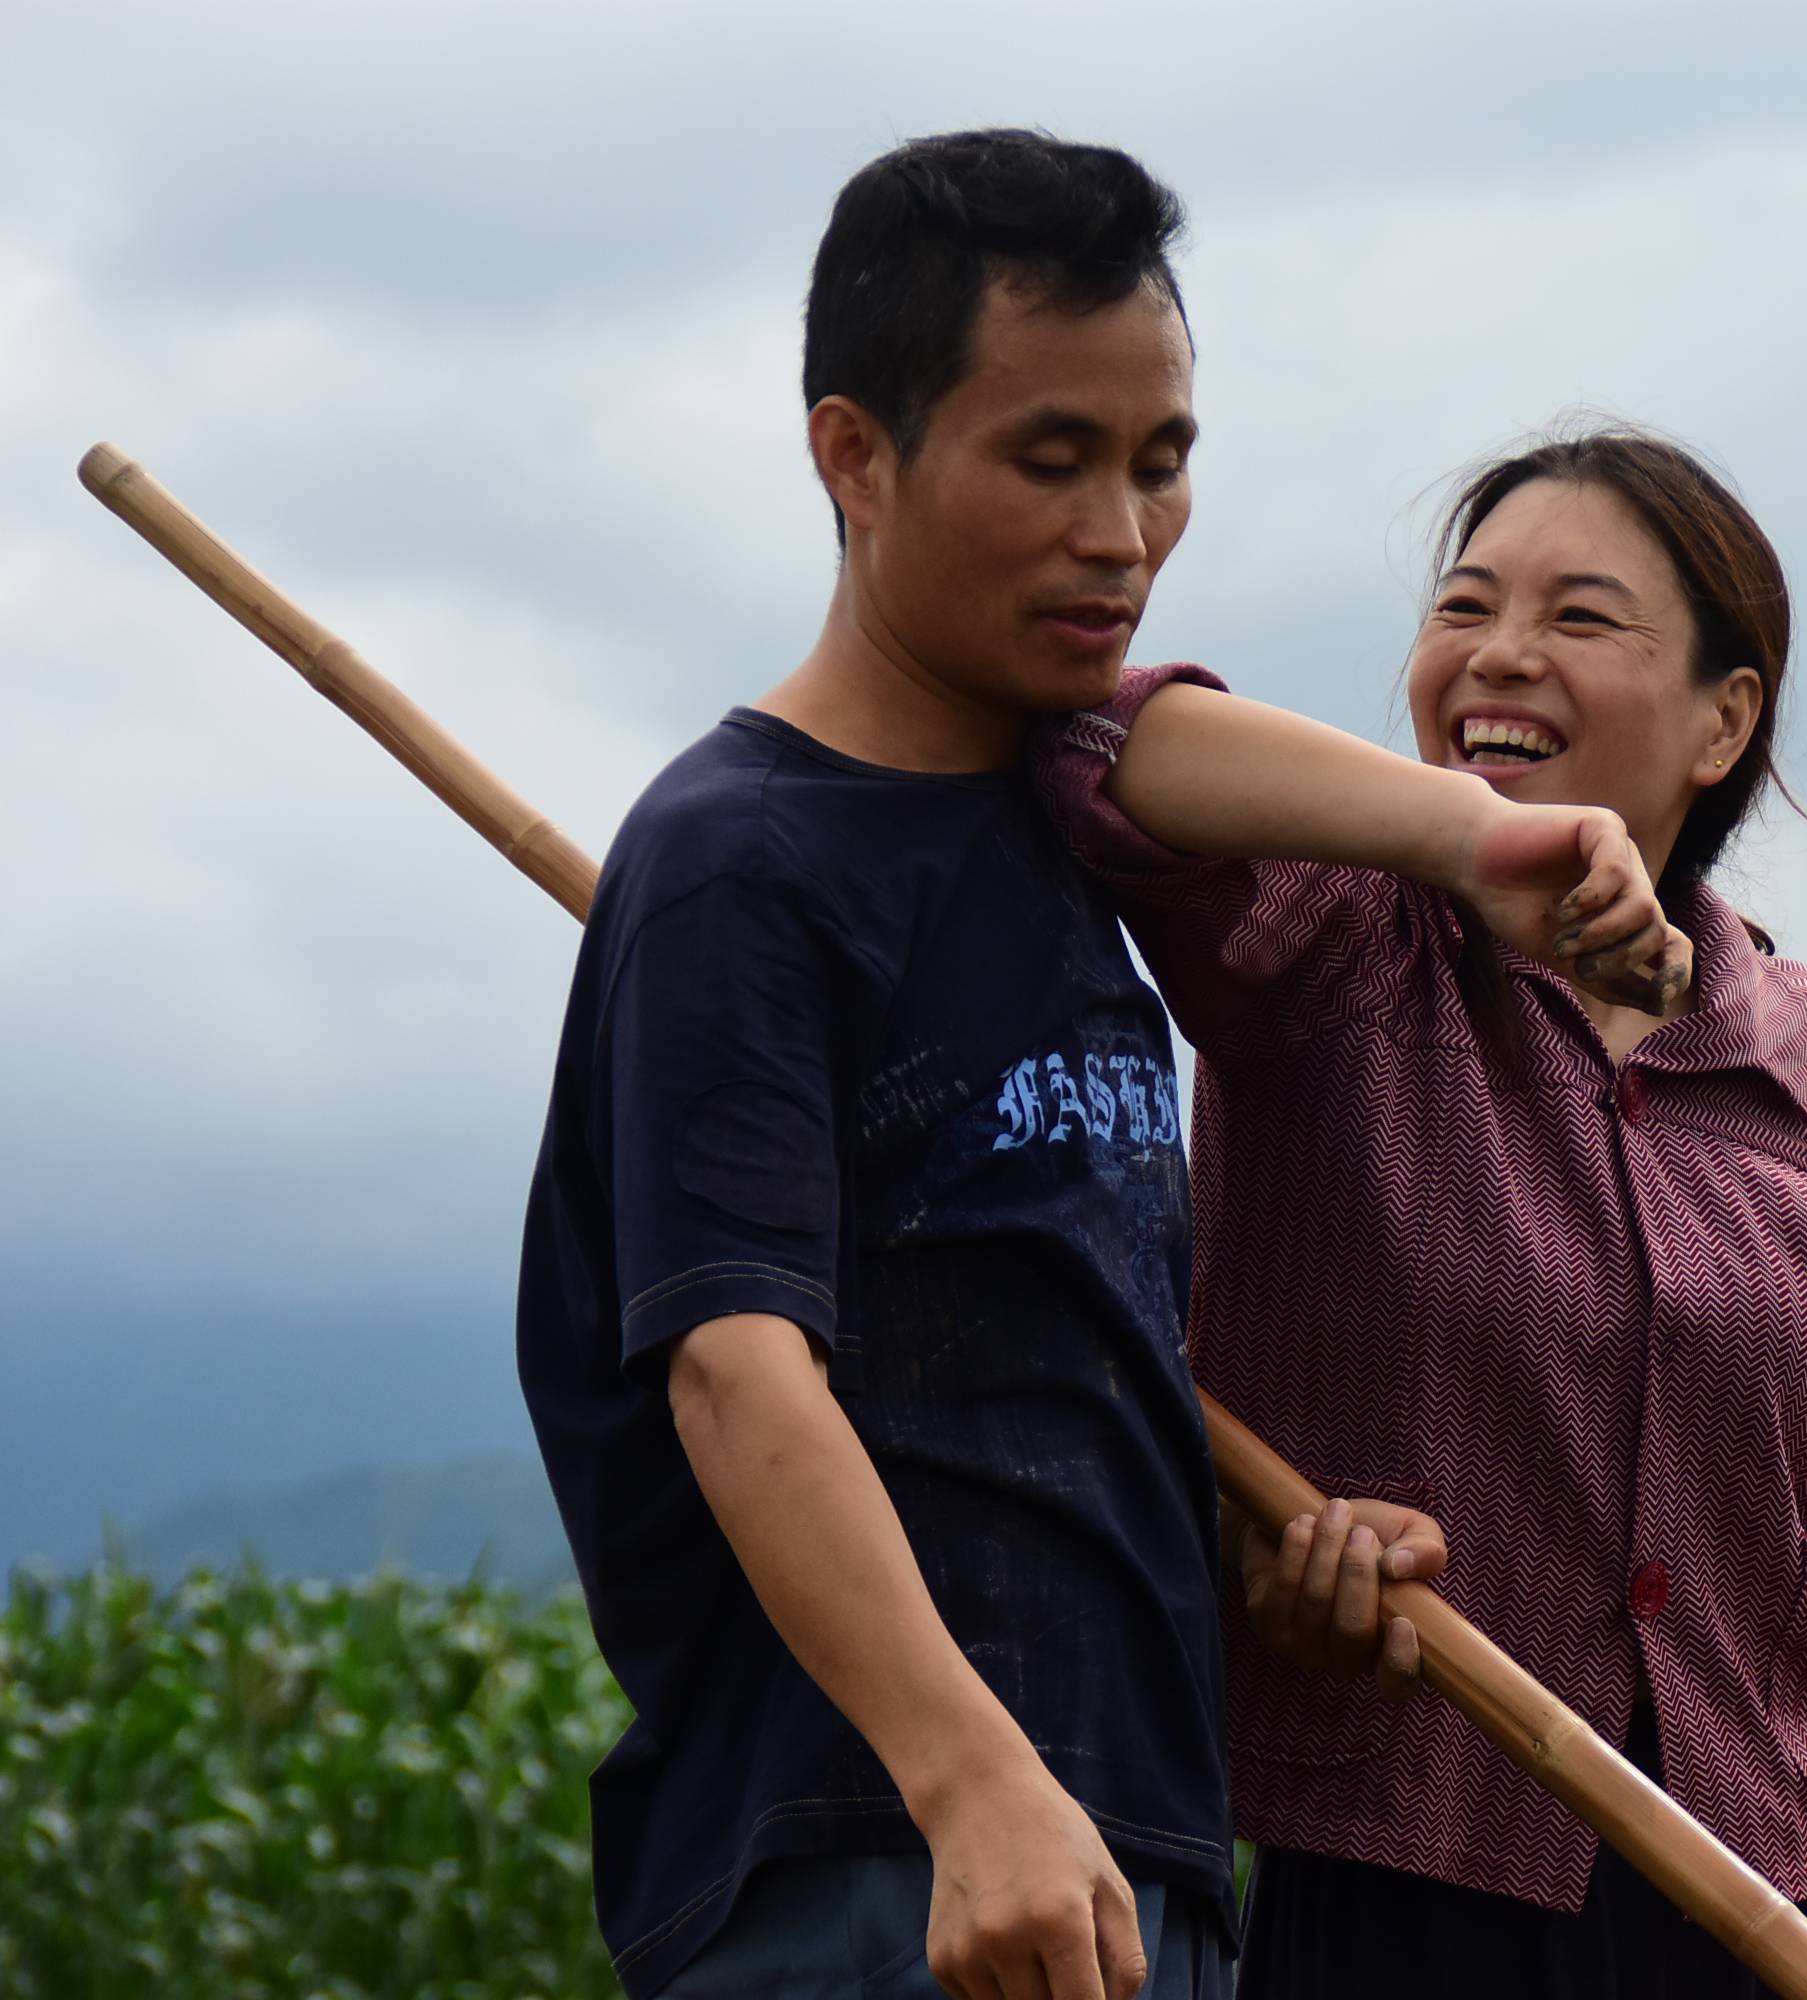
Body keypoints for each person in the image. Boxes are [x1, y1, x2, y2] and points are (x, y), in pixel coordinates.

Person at [516, 136, 1685, 2000]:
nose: (1121, 534)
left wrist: (1263, 1572)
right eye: (1049, 459)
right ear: (853, 457)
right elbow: (742, 1383)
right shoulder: (744, 857)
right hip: (882, 1868)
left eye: (1163, 464)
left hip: (1131, 1862)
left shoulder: (1058, 841)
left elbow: (1028, 1386)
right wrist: (973, 1778)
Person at [1032, 428, 1807, 1997]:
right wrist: (1473, 842)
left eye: (1580, 617)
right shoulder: (1348, 937)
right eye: (1465, 608)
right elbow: (1092, 746)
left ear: (1726, 719)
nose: (1500, 654)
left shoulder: (1804, 1043)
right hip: (1422, 1871)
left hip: (1771, 1895)